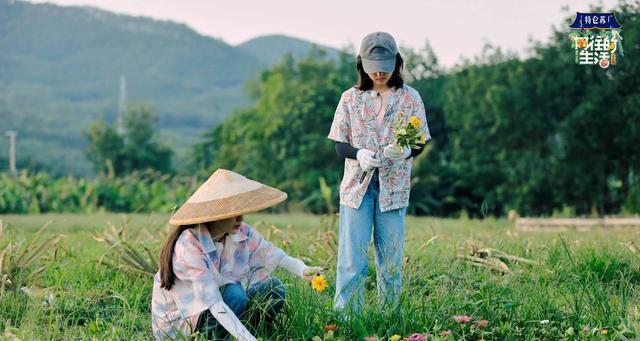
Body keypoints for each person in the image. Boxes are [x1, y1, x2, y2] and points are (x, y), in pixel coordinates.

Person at [151, 169, 322, 340]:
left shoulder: (241, 233)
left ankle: (246, 333)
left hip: (223, 308)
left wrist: (303, 270)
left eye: (241, 209)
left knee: (273, 288)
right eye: (232, 212)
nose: (240, 217)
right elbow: (214, 302)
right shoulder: (189, 244)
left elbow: (274, 255)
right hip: (184, 325)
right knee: (234, 293)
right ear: (215, 215)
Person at [328, 32, 431, 313]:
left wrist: (407, 152)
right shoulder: (350, 98)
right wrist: (359, 154)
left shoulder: (410, 97)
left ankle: (390, 316)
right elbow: (340, 144)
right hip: (356, 189)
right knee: (353, 259)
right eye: (373, 66)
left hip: (393, 187)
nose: (380, 72)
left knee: (391, 260)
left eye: (385, 65)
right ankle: (348, 318)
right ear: (362, 64)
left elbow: (420, 140)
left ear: (397, 63)